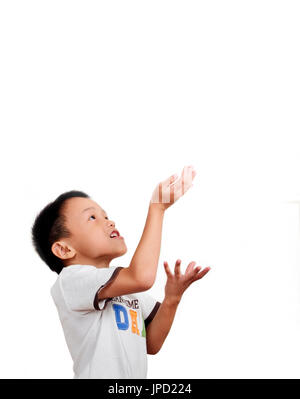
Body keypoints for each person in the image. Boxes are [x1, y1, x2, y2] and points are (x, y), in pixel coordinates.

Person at [31, 165, 210, 379]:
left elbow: (152, 343)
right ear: (64, 249)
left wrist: (172, 298)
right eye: (92, 218)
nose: (109, 221)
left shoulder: (125, 288)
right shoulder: (70, 281)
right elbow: (141, 276)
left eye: (106, 216)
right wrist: (157, 208)